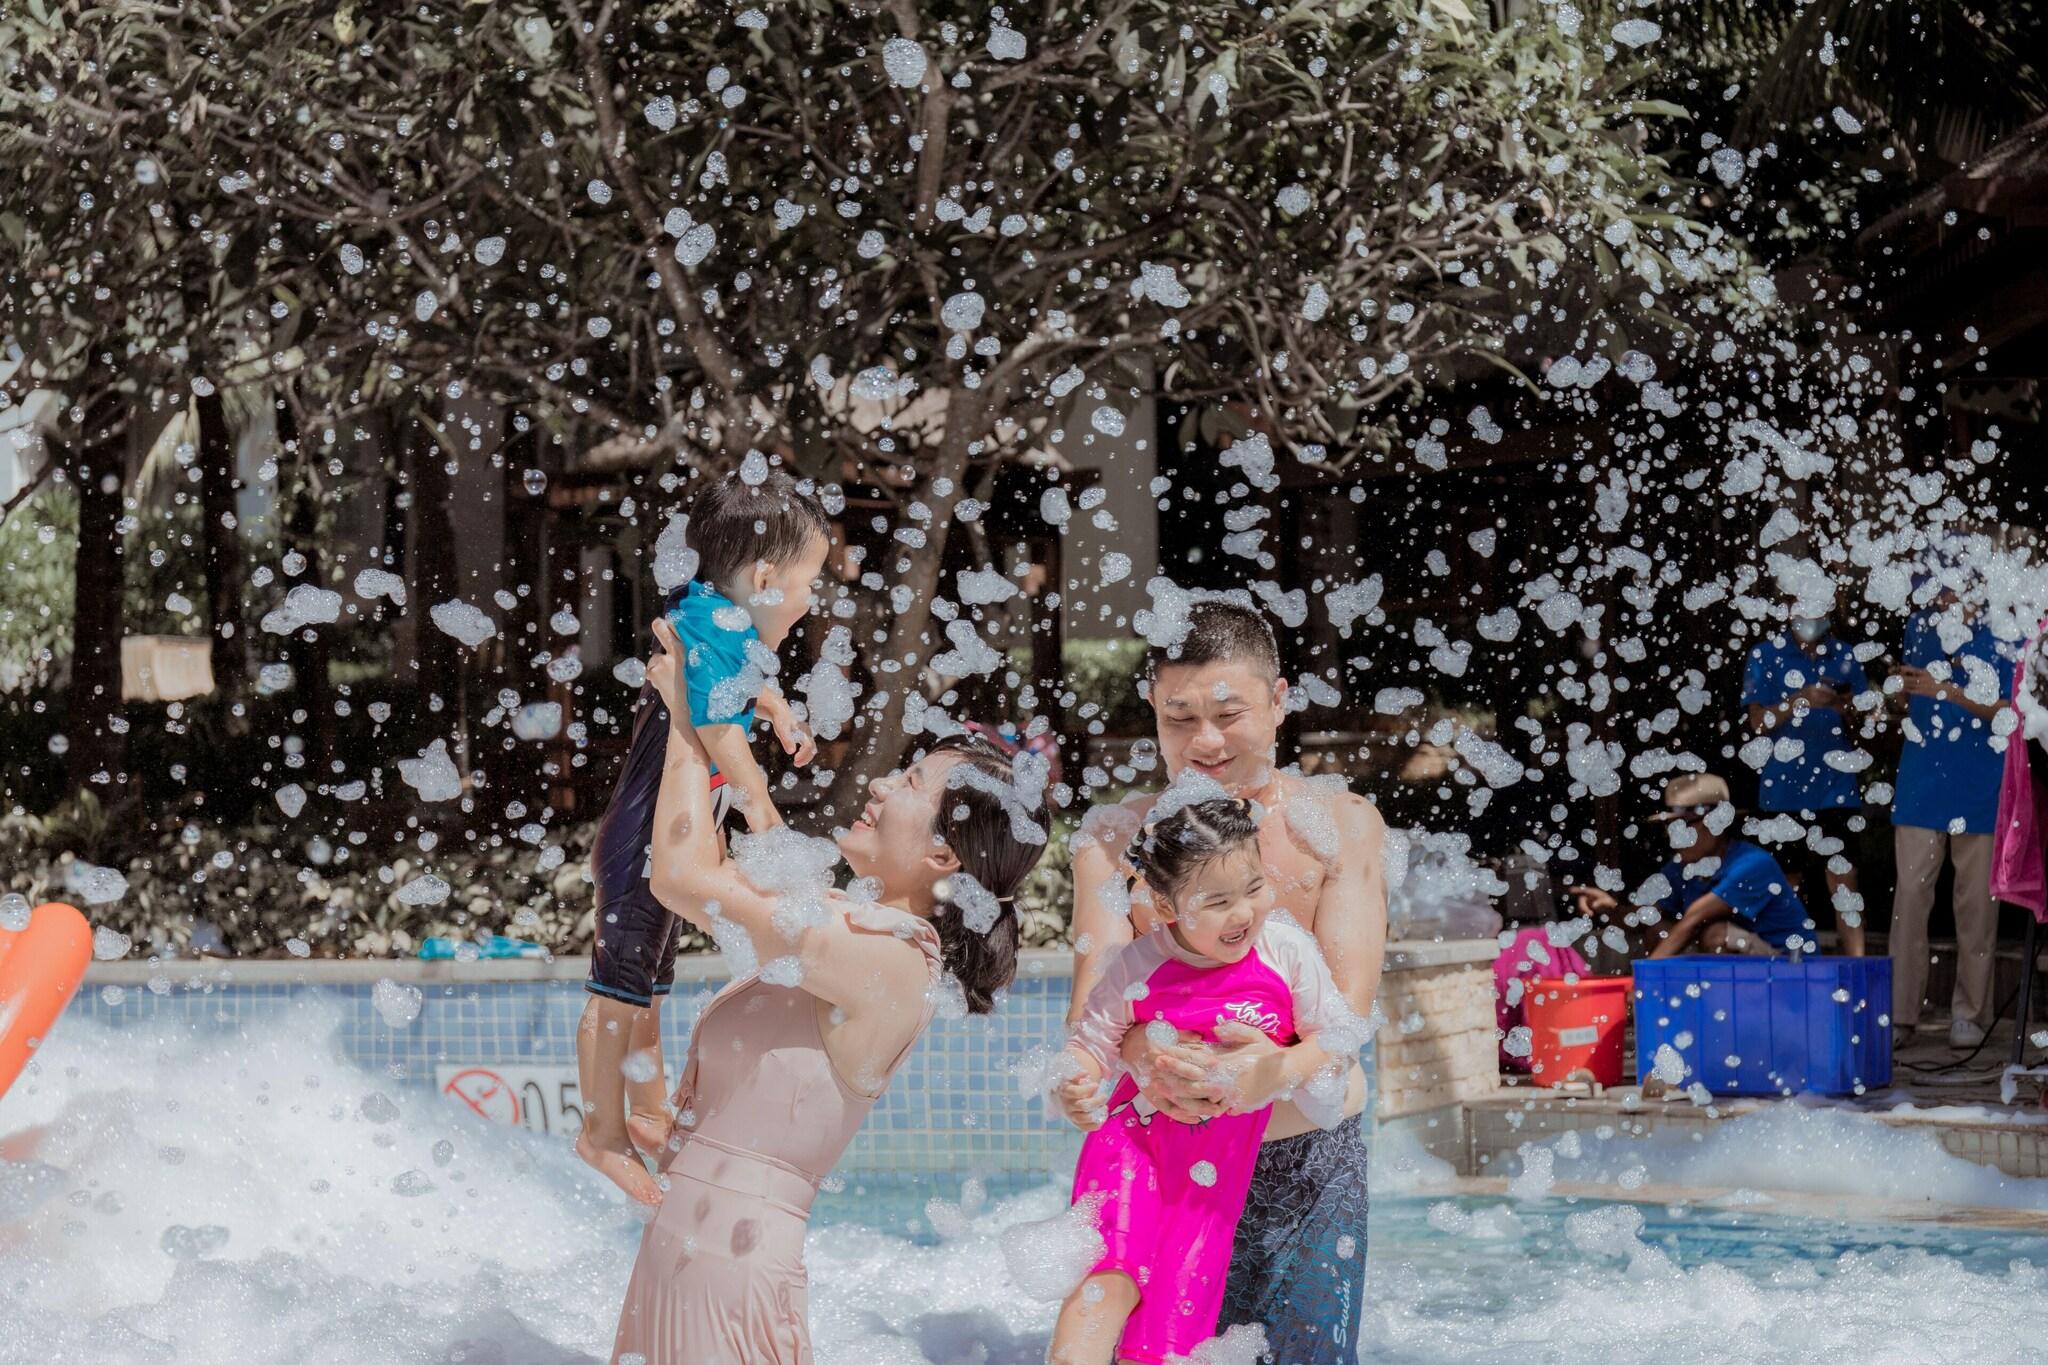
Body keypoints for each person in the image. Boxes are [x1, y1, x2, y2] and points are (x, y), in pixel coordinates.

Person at [609, 615, 1049, 1364]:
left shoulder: (899, 963)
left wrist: (688, 713)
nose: (878, 783)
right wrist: (719, 710)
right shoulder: (844, 919)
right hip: (684, 1256)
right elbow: (710, 850)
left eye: (909, 783)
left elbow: (682, 877)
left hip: (733, 1270)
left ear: (944, 853)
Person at [1064, 595, 1388, 1365]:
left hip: (1300, 1157)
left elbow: (1345, 1017)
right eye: (1179, 717)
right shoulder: (1113, 840)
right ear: (1152, 708)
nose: (1204, 741)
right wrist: (1145, 1053)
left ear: (1278, 701)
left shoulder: (1339, 826)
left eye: (1228, 713)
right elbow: (1093, 1012)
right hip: (1161, 1155)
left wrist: (1270, 1068)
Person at [575, 468, 830, 1205]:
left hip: (661, 837)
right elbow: (719, 733)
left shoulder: (711, 617)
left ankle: (648, 1112)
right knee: (618, 994)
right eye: (809, 583)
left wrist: (776, 708)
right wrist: (764, 813)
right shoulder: (712, 627)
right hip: (642, 844)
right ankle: (601, 1132)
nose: (812, 600)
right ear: (765, 578)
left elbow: (735, 682)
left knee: (650, 990)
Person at [1050, 798, 1352, 1365]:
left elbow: (1336, 1039)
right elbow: (1091, 1042)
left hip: (1213, 1188)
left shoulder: (1285, 953)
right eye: (1217, 902)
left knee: (1166, 1342)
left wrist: (1281, 1068)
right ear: (1166, 905)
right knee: (1103, 1286)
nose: (1242, 914)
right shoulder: (1138, 963)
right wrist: (1075, 1084)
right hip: (1130, 1147)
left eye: (1254, 889)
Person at [1888, 581, 2017, 1049]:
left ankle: (1970, 1013)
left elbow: (2010, 712)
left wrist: (1947, 692)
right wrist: (1899, 692)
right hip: (1920, 783)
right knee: (1909, 900)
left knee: (1976, 907)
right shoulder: (1919, 627)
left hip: (1981, 787)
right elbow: (1910, 700)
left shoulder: (2007, 632)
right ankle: (1900, 1015)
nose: (1942, 597)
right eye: (1935, 587)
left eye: (1949, 586)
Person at [1741, 607, 1870, 954]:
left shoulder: (1845, 654)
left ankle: (1856, 966)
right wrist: (1801, 699)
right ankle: (1788, 966)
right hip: (1783, 789)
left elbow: (1864, 721)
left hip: (1836, 785)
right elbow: (1758, 722)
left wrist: (1845, 707)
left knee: (1845, 882)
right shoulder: (1765, 654)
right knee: (1786, 885)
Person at [1576, 773, 1811, 958]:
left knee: (1715, 935)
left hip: (1790, 970)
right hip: (1743, 969)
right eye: (1671, 826)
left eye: (1684, 825)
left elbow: (1693, 920)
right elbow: (1644, 917)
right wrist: (1611, 909)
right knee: (1658, 929)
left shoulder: (1753, 865)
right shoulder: (1680, 868)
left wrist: (1643, 982)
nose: (1674, 835)